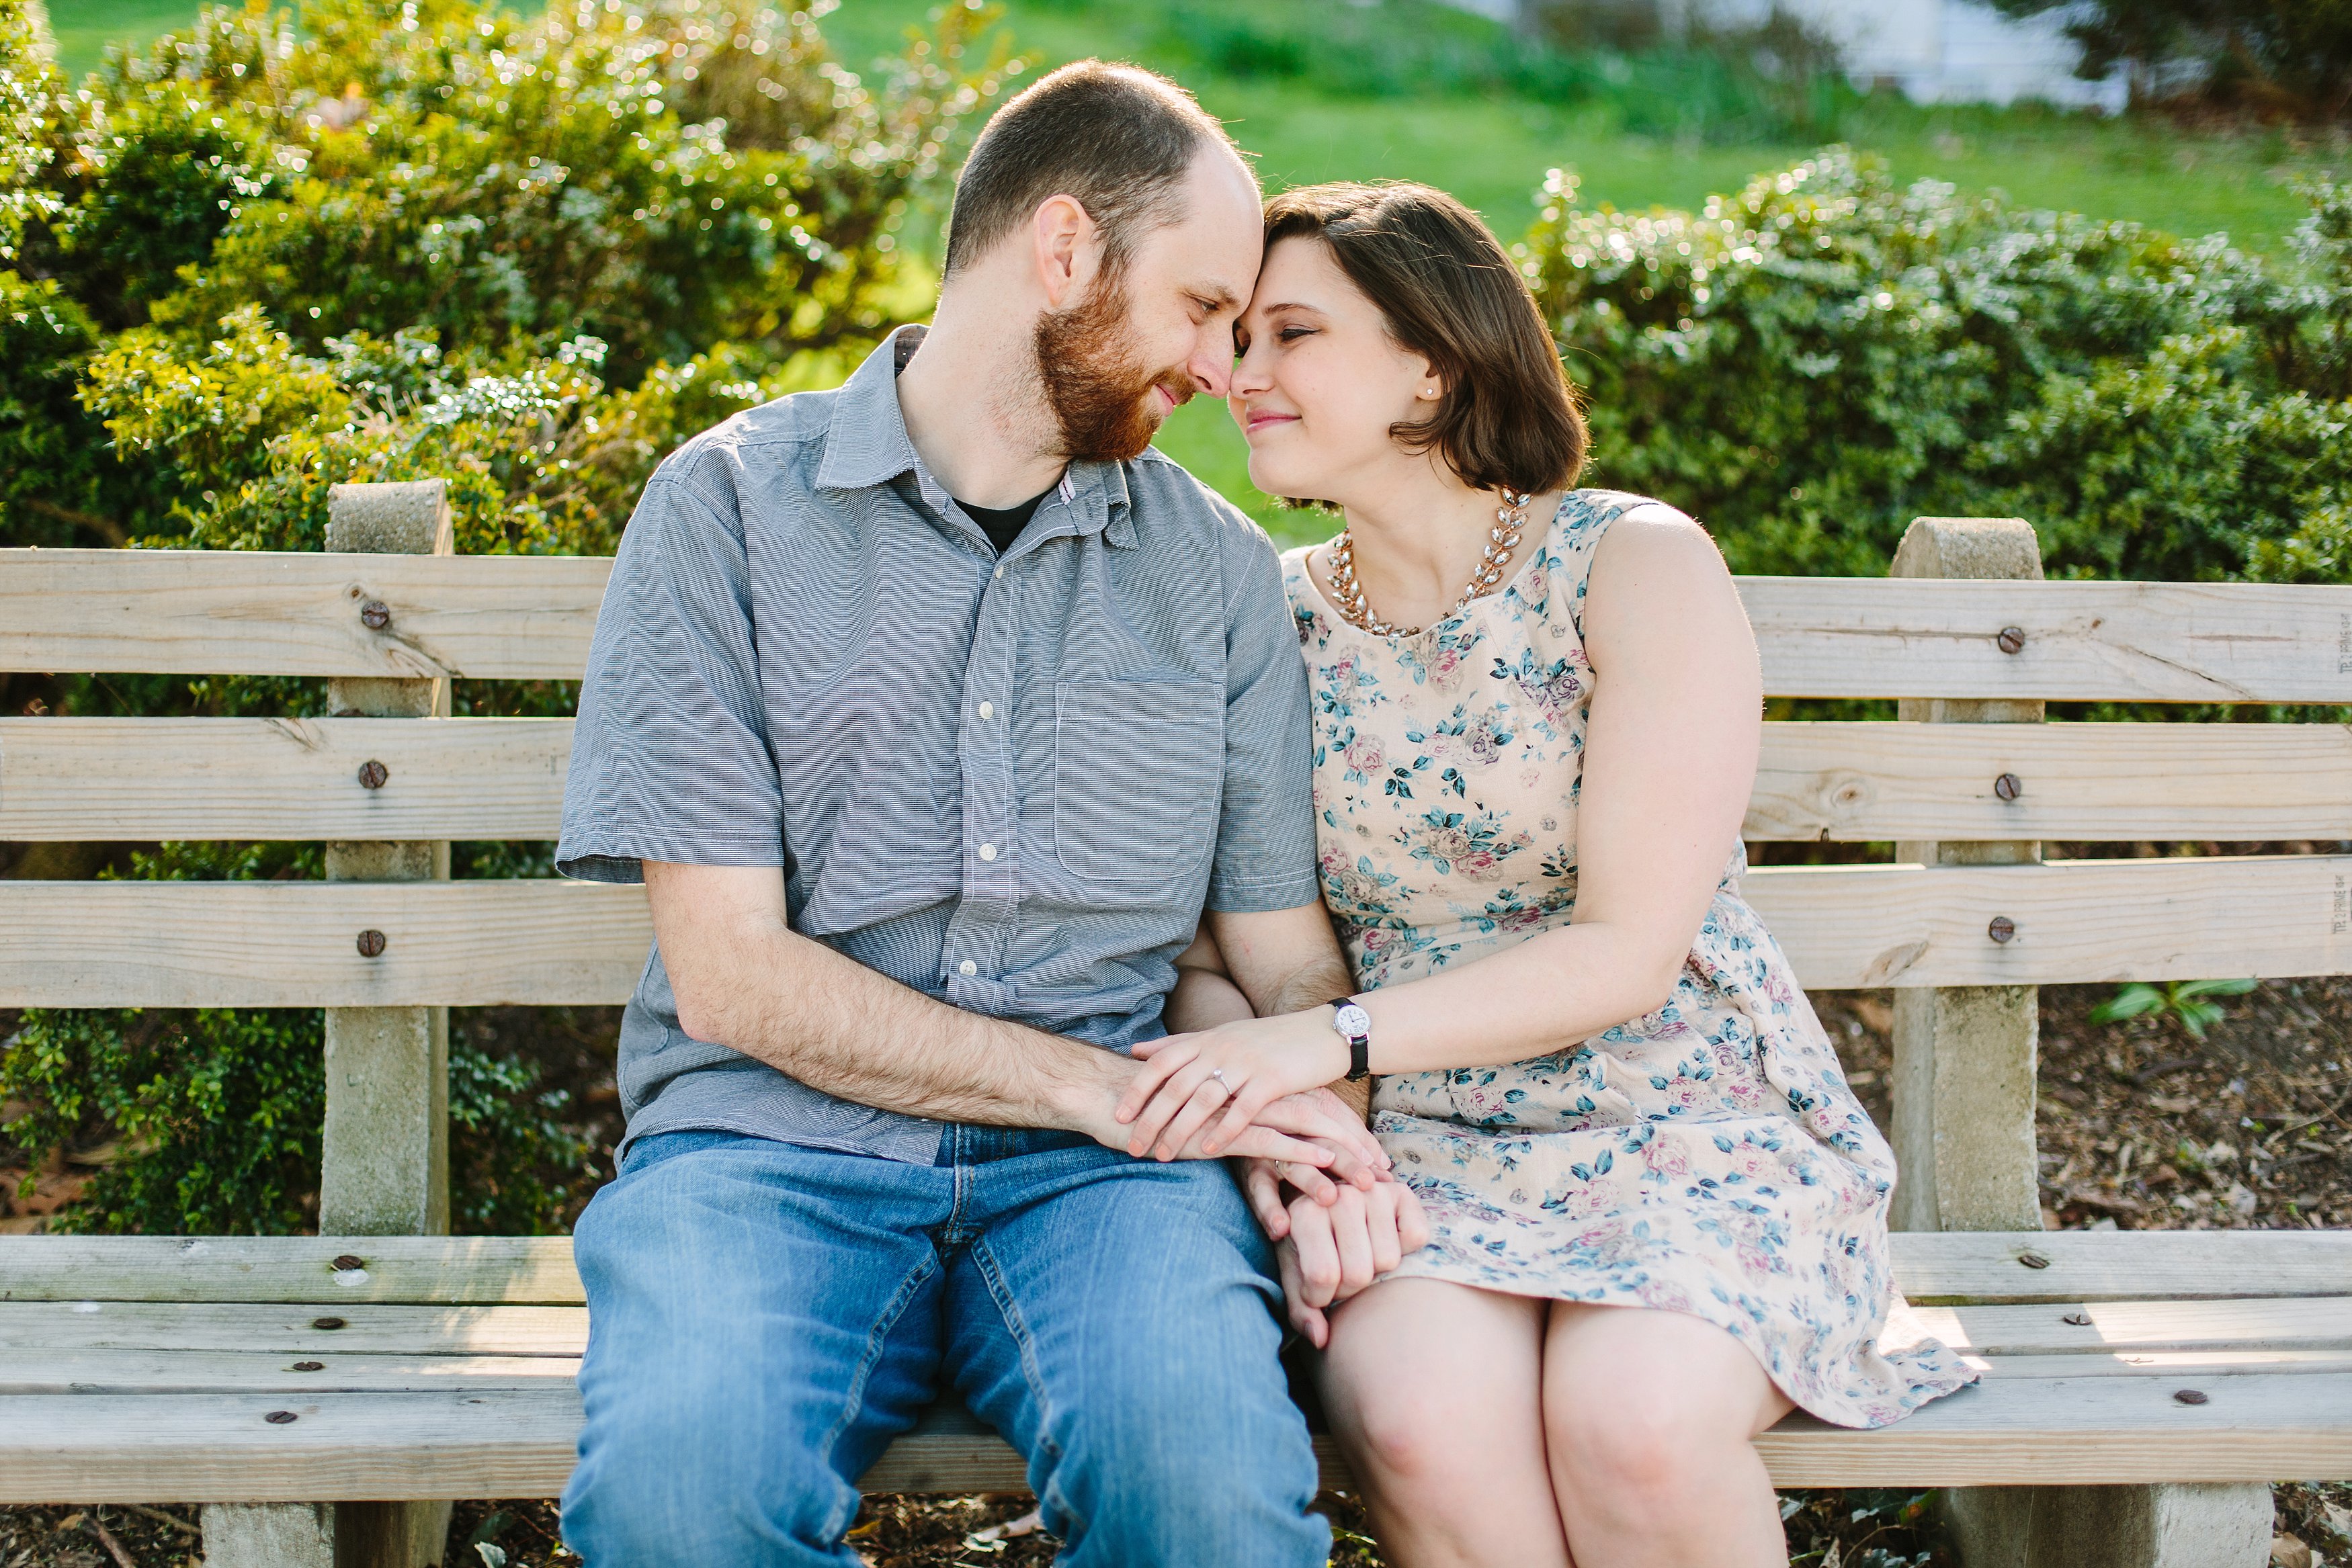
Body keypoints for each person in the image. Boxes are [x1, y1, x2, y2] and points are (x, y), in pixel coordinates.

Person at [552, 66, 1423, 1568]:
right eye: (1206, 305)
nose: (1225, 366)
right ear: (1066, 250)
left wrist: (1309, 1125)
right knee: (677, 1508)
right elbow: (731, 976)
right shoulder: (729, 513)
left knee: (1210, 1508)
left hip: (1109, 1190)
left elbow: (1285, 968)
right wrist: (1086, 1086)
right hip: (768, 1157)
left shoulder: (1211, 575)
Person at [1129, 181, 1978, 1568]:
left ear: (1435, 360)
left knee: (1631, 1428)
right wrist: (1305, 1129)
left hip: (1685, 1115)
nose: (1238, 373)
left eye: (1292, 334)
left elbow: (1628, 952)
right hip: (1419, 1142)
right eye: (1238, 337)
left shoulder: (1628, 565)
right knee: (1418, 1426)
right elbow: (1221, 955)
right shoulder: (1261, 615)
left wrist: (1324, 1040)